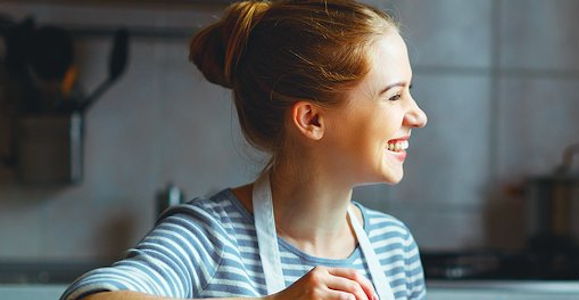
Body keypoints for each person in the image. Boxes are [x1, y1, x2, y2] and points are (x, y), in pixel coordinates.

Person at [61, 1, 427, 299]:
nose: (418, 115)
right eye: (394, 95)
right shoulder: (208, 236)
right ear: (312, 119)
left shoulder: (394, 247)